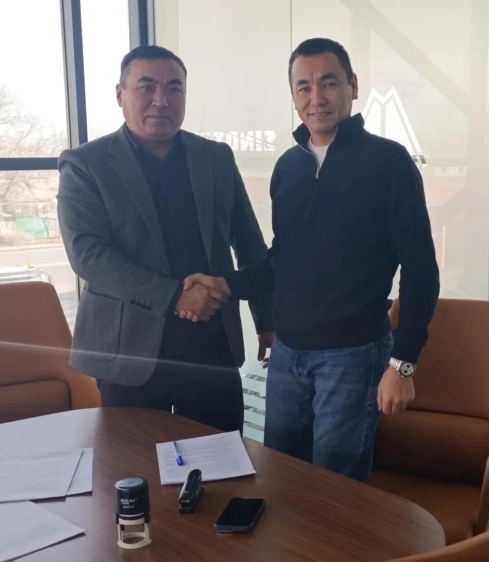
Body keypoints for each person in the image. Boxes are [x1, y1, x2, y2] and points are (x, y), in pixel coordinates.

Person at [180, 38, 440, 481]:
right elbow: (284, 259)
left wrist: (403, 363)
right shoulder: (289, 167)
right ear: (294, 96)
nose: (316, 98)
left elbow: (421, 270)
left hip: (352, 355)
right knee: (281, 477)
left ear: (352, 86)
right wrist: (228, 284)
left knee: (334, 487)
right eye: (304, 87)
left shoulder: (389, 163)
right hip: (287, 354)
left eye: (329, 83)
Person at [57, 45, 273, 433]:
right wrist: (175, 295)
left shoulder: (215, 158)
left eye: (174, 88)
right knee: (133, 464)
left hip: (212, 349)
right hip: (129, 353)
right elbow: (87, 254)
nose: (161, 100)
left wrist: (267, 321)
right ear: (120, 94)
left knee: (221, 460)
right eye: (147, 87)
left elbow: (250, 244)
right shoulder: (87, 163)